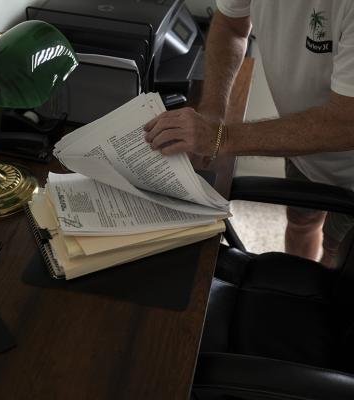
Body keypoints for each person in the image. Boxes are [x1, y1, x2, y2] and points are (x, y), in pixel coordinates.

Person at [144, 0, 354, 268]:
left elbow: (345, 123)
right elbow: (231, 26)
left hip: (349, 167)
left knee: (336, 248)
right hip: (302, 145)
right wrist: (212, 111)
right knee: (301, 221)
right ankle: (293, 282)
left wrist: (223, 137)